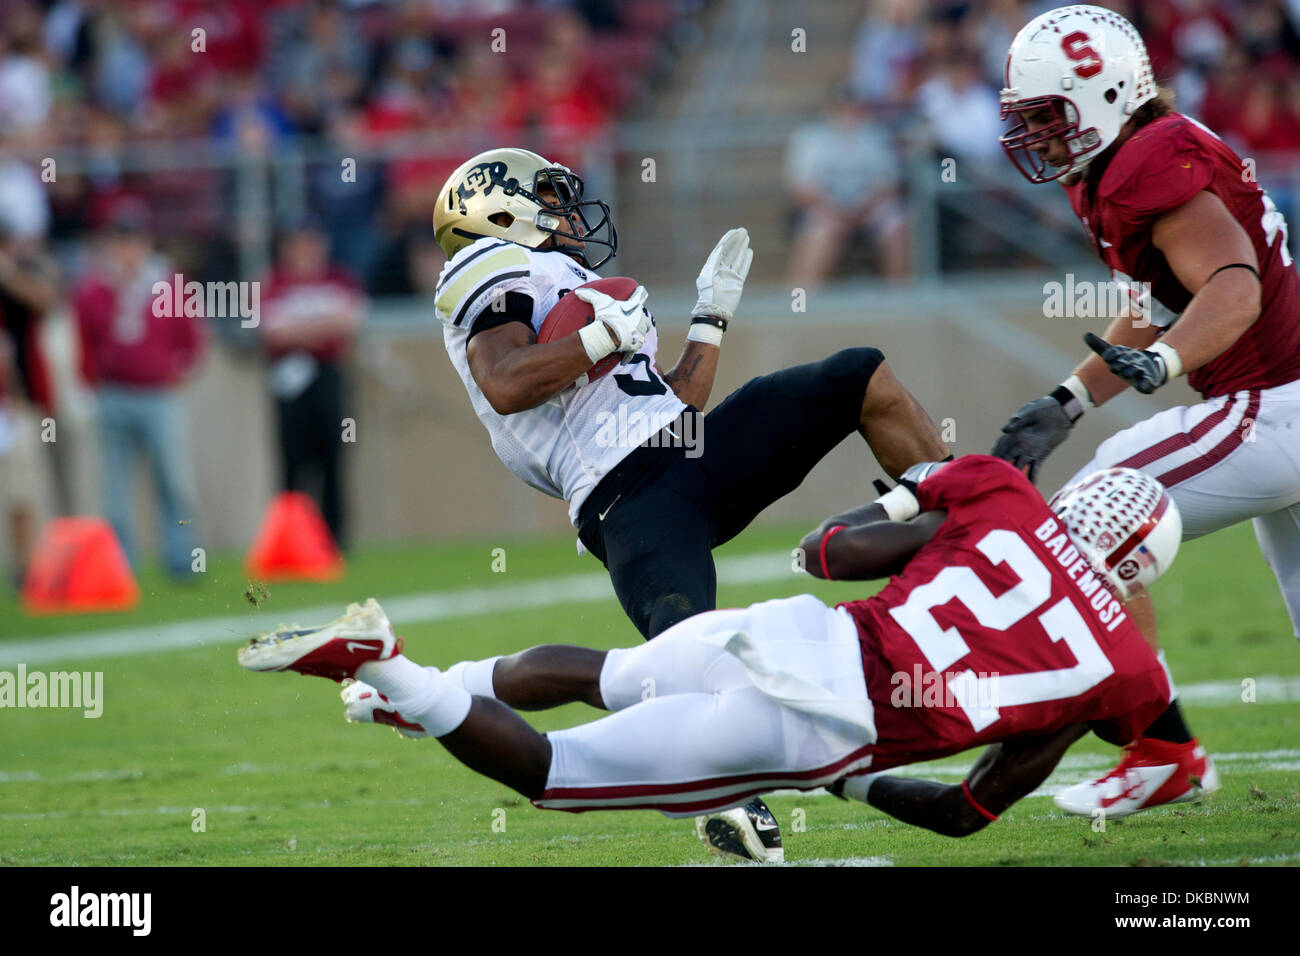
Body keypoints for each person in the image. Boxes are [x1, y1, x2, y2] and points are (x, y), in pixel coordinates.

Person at [238, 457, 1202, 858]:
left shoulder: (1005, 493)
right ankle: (392, 668)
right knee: (556, 773)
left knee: (600, 672)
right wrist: (851, 784)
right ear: (1141, 571)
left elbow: (832, 553)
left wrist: (911, 512)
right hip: (825, 720)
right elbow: (965, 812)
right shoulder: (1121, 665)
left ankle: (416, 691)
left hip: (795, 630)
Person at [425, 147, 950, 858]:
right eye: (547, 197)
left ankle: (971, 527)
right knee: (690, 656)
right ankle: (719, 797)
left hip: (690, 451)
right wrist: (600, 333)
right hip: (627, 498)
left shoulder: (564, 275)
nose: (566, 212)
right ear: (498, 209)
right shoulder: (485, 266)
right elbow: (507, 381)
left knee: (858, 377)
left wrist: (710, 318)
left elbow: (672, 405)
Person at [991, 5, 1299, 818]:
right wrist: (1069, 398)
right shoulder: (1141, 150)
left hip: (1270, 404)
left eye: (1049, 116)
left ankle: (1161, 751)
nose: (1041, 137)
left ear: (1103, 94)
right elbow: (1159, 302)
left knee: (1084, 523)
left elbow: (1232, 288)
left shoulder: (1147, 159)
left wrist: (1164, 365)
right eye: (1029, 120)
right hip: (1283, 402)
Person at [74, 199, 205, 577]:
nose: (128, 249)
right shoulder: (95, 289)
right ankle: (121, 564)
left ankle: (183, 559)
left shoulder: (168, 283)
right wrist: (89, 384)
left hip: (159, 395)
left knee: (174, 482)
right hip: (113, 393)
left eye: (134, 240)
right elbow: (85, 341)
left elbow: (191, 340)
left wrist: (174, 374)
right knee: (115, 487)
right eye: (121, 240)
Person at [258, 220, 367, 549]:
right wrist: (321, 328)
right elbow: (272, 331)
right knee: (291, 460)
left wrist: (300, 330)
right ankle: (290, 539)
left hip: (327, 373)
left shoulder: (339, 278)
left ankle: (334, 539)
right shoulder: (274, 282)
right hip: (288, 379)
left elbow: (351, 322)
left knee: (333, 458)